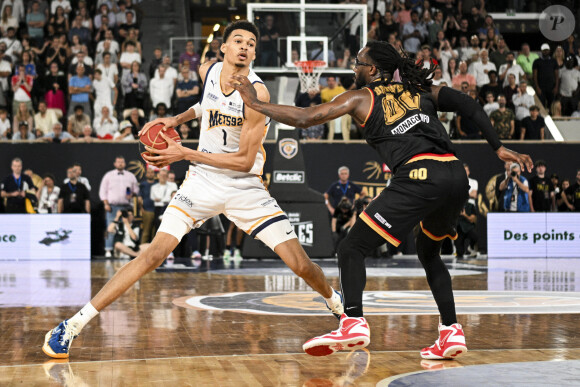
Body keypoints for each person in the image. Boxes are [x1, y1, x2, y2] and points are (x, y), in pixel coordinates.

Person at [42, 20, 343, 360]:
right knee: (152, 255)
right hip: (201, 181)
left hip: (244, 186)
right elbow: (205, 104)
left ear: (254, 53)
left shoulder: (258, 94)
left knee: (300, 265)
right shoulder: (209, 70)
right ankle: (72, 326)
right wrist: (176, 120)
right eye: (238, 40)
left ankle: (338, 306)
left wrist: (184, 152)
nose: (244, 46)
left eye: (250, 43)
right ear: (224, 49)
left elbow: (244, 161)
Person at [229, 39, 533, 359]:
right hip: (455, 175)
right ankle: (450, 331)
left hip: (418, 174)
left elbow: (307, 117)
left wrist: (257, 103)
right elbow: (467, 104)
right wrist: (497, 146)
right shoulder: (420, 89)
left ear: (372, 70)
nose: (353, 67)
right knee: (429, 253)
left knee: (351, 247)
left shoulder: (362, 97)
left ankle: (354, 322)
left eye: (358, 62)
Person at [150, 168, 177, 233]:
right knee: (158, 227)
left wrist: (161, 200)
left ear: (167, 177)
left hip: (168, 208)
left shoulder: (173, 185)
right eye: (161, 175)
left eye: (164, 175)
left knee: (170, 228)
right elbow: (153, 198)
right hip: (158, 209)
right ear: (158, 175)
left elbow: (174, 197)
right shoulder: (154, 187)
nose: (163, 177)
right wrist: (163, 199)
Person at [533, 44, 559, 109]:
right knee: (541, 105)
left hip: (551, 87)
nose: (545, 52)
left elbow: (556, 75)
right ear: (541, 51)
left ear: (549, 51)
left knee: (552, 106)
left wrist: (556, 87)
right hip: (541, 87)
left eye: (547, 50)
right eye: (544, 50)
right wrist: (537, 87)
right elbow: (535, 75)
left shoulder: (554, 61)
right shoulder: (537, 61)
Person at [139, 167, 156, 243]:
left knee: (155, 232)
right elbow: (139, 198)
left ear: (154, 174)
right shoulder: (143, 185)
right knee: (146, 231)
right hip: (147, 210)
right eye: (148, 172)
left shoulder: (157, 184)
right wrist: (141, 209)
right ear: (146, 174)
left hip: (157, 210)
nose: (150, 174)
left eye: (152, 172)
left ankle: (154, 251)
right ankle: (142, 250)